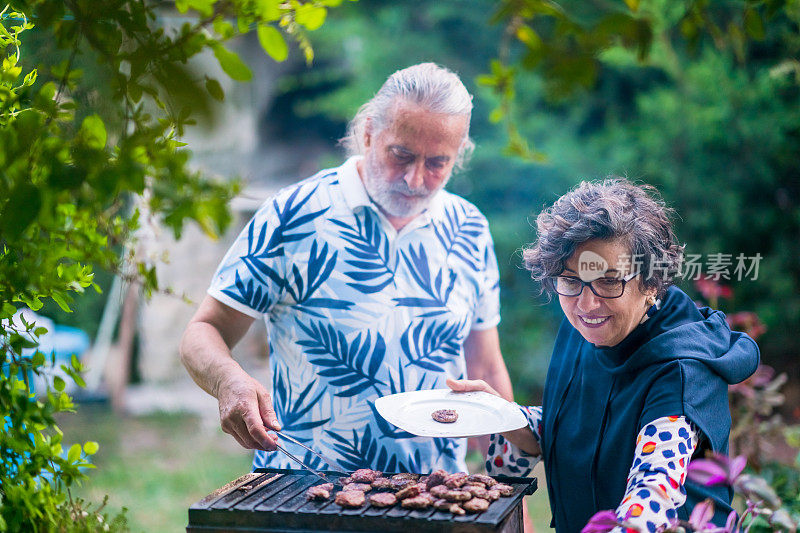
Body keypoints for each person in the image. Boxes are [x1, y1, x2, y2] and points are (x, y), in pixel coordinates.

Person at [180, 63, 514, 474]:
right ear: (369, 132)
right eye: (401, 155)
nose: (414, 179)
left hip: (434, 496)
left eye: (436, 163)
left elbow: (484, 367)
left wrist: (510, 493)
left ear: (459, 153)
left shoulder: (470, 228)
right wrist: (228, 382)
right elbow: (202, 331)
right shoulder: (293, 215)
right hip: (302, 491)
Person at [447, 179, 759, 533]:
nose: (586, 303)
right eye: (569, 280)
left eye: (610, 282)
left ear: (651, 282)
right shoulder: (589, 326)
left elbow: (651, 494)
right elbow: (583, 426)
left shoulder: (681, 371)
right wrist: (505, 416)